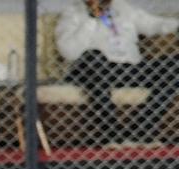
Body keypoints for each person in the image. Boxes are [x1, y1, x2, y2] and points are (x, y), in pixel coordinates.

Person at [56, 0, 179, 146]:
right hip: (95, 68)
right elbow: (68, 52)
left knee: (175, 64)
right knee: (93, 56)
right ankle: (111, 134)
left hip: (129, 69)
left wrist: (176, 24)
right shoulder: (73, 13)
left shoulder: (123, 8)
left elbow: (154, 24)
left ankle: (140, 129)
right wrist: (92, 19)